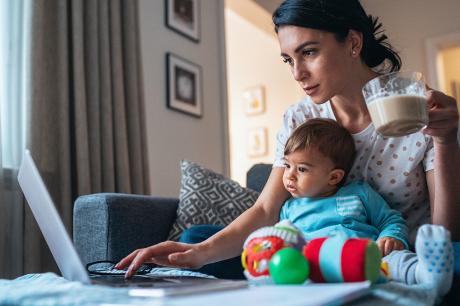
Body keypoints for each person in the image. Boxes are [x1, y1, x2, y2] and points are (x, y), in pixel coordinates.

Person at [116, 0, 459, 284]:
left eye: (309, 52)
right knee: (194, 240)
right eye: (288, 59)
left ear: (354, 43)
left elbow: (445, 233)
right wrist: (196, 253)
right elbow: (266, 210)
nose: (297, 73)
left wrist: (445, 141)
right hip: (311, 254)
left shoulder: (418, 107)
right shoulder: (300, 117)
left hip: (395, 258)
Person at [277, 118, 452, 296]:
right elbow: (283, 240)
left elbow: (390, 220)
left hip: (369, 259)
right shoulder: (289, 209)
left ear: (334, 177)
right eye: (287, 165)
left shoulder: (358, 193)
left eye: (302, 169)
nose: (289, 176)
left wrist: (391, 236)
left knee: (396, 261)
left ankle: (428, 275)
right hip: (321, 267)